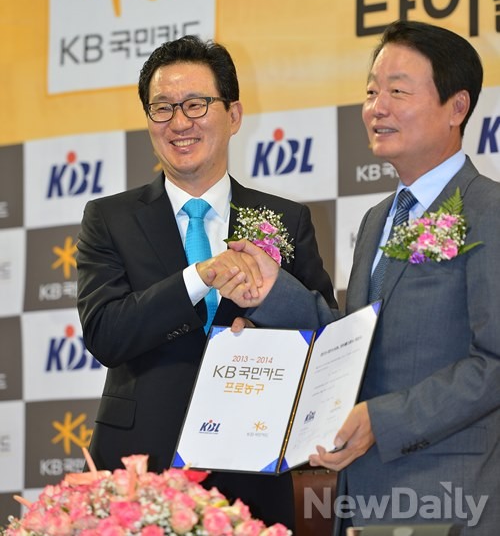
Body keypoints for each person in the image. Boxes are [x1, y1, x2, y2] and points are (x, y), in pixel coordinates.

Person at [219, 20, 500, 535]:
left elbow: (495, 362)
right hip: (365, 497)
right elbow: (352, 341)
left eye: (398, 91)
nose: (377, 108)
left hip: (454, 497)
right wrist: (274, 291)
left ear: (457, 107)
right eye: (372, 92)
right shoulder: (378, 219)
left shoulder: (490, 210)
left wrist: (383, 420)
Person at [76, 34, 337, 530]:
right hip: (138, 469)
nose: (179, 123)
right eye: (162, 108)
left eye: (196, 104)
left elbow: (323, 339)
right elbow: (106, 334)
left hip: (252, 465)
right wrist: (197, 278)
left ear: (233, 115)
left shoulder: (285, 219)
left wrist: (265, 323)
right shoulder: (108, 219)